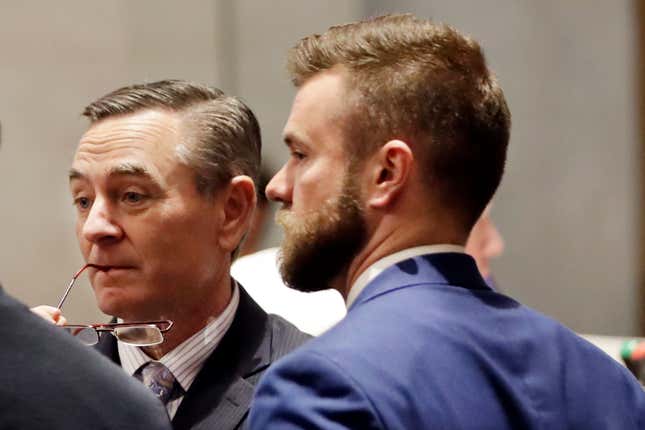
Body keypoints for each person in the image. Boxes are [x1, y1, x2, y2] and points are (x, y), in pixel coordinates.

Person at [249, 14, 645, 429]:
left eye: (301, 155)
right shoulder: (607, 382)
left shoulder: (324, 386)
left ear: (386, 173)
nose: (277, 186)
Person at [34, 80, 308, 430]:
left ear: (232, 211)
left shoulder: (313, 383)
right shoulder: (48, 383)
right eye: (83, 200)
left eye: (132, 196)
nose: (94, 229)